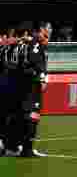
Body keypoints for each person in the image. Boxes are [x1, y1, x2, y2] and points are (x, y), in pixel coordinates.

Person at [9, 22, 50, 157]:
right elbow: (33, 62)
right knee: (32, 116)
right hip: (31, 86)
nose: (49, 31)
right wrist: (42, 77)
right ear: (41, 30)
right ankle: (27, 149)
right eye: (48, 28)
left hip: (20, 84)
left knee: (21, 115)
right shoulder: (35, 43)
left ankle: (15, 146)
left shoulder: (24, 44)